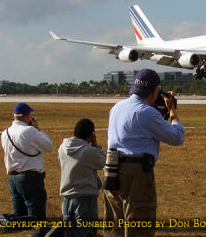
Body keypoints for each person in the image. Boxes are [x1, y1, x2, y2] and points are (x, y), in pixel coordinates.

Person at [104, 69, 185, 237]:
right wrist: (173, 113)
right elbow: (177, 138)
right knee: (139, 223)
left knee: (116, 226)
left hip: (111, 169)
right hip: (136, 173)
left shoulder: (116, 108)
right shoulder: (147, 113)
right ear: (155, 91)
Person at [0, 103, 53, 223]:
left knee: (19, 217)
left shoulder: (5, 133)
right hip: (29, 178)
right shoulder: (29, 131)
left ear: (13, 115)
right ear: (28, 116)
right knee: (37, 219)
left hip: (13, 178)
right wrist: (38, 129)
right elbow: (49, 146)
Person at [58, 118, 106, 236]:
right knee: (87, 231)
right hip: (85, 196)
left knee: (69, 231)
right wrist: (95, 144)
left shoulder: (62, 148)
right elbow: (103, 162)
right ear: (91, 134)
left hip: (67, 197)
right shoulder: (88, 151)